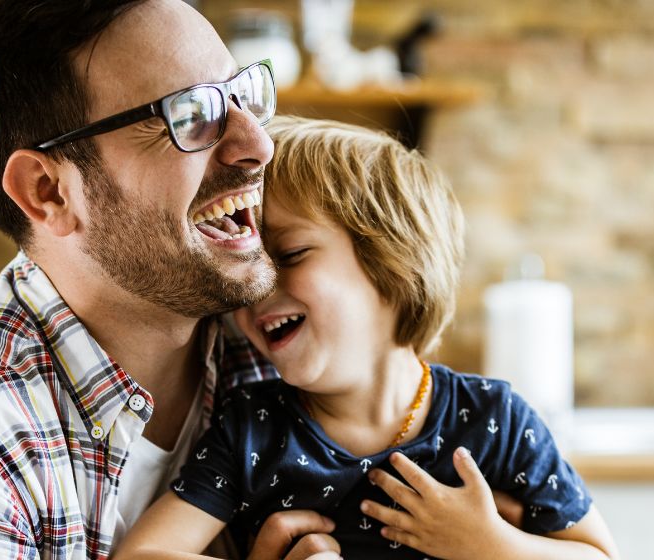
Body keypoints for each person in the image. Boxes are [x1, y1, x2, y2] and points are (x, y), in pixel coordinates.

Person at [0, 1, 351, 558]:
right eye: (189, 115)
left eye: (245, 95)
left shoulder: (282, 346)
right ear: (49, 191)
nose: (258, 145)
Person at [115, 117, 621, 559]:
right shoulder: (252, 428)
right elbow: (143, 554)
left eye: (289, 254)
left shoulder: (497, 422)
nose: (258, 284)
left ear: (393, 266)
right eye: (246, 261)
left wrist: (492, 545)